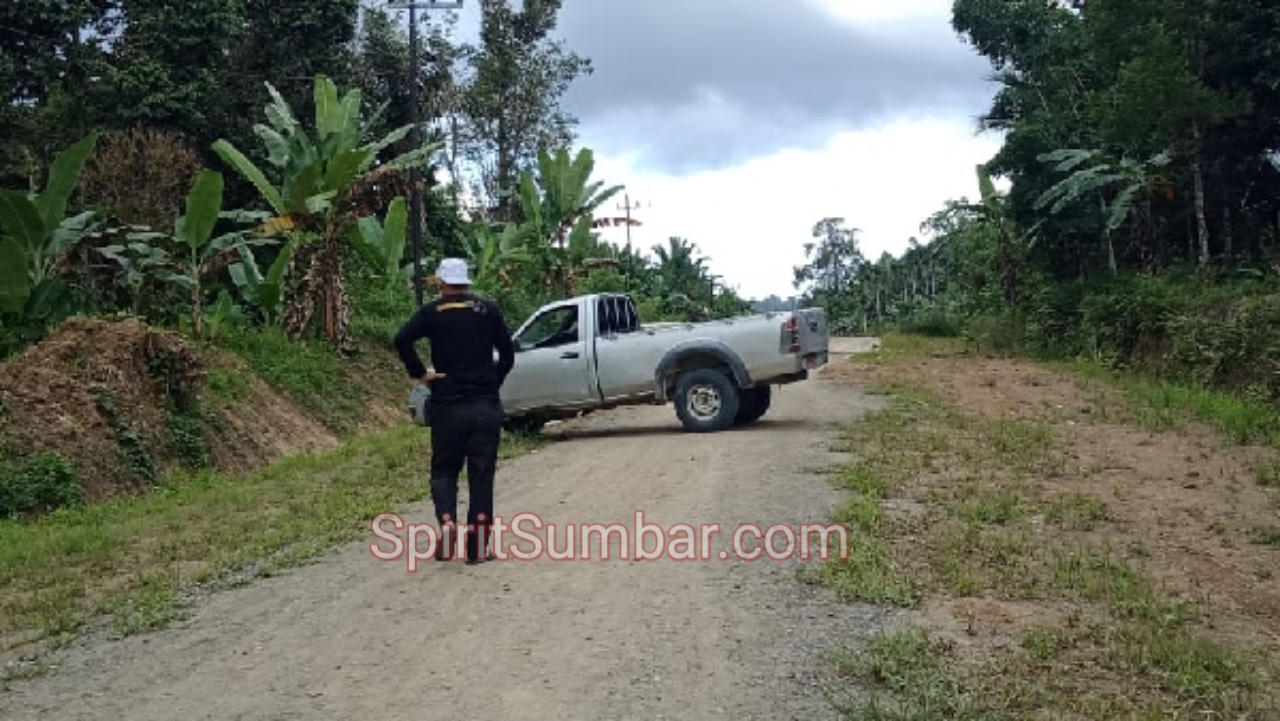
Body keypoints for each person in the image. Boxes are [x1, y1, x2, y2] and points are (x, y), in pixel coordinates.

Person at [393, 258, 515, 564]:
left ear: (440, 283)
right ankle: (477, 550)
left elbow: (402, 339)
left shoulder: (432, 313)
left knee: (444, 471)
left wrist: (421, 374)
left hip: (448, 407)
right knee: (481, 476)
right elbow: (509, 355)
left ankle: (447, 525)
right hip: (485, 407)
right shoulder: (488, 310)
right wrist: (491, 382)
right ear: (466, 282)